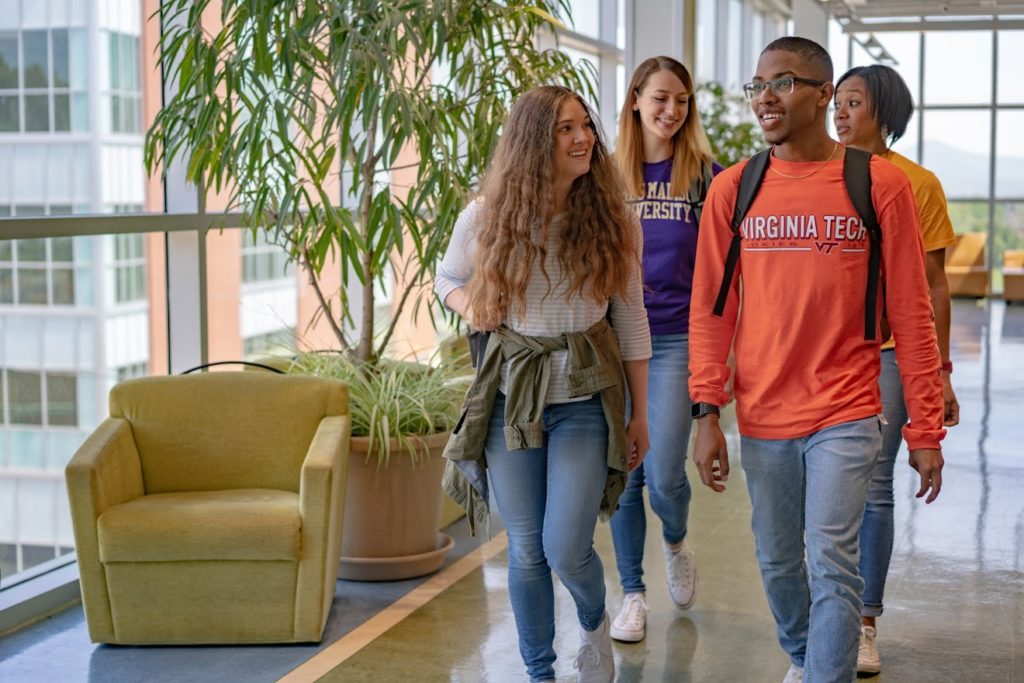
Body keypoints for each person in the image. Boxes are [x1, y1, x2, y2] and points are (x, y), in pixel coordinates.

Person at [688, 37, 946, 683]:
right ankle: (806, 659)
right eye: (757, 85)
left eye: (783, 83)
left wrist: (924, 426)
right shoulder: (733, 190)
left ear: (823, 92)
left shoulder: (878, 184)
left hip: (849, 405)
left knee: (831, 556)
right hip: (766, 410)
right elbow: (710, 311)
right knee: (778, 561)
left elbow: (913, 312)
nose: (764, 99)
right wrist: (706, 409)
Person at [435, 85, 652, 683]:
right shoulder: (485, 216)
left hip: (584, 398)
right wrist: (469, 304)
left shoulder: (614, 219)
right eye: (565, 129)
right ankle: (540, 673)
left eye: (585, 126)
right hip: (512, 400)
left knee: (565, 546)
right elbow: (446, 276)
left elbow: (632, 319)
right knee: (526, 549)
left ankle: (592, 617)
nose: (583, 138)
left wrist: (640, 415)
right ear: (534, 143)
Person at [833, 63, 960, 676]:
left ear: (883, 111)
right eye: (837, 101)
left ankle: (863, 622)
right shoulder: (809, 172)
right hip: (819, 356)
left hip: (886, 354)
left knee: (875, 484)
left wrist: (940, 372)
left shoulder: (916, 184)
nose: (840, 112)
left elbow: (935, 286)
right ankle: (825, 608)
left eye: (853, 102)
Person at [608, 55, 721, 643]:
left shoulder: (706, 175)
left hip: (676, 338)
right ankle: (632, 594)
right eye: (659, 98)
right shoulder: (604, 176)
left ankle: (674, 539)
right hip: (613, 340)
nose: (671, 110)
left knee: (664, 475)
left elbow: (726, 272)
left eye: (681, 100)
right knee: (625, 474)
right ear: (635, 101)